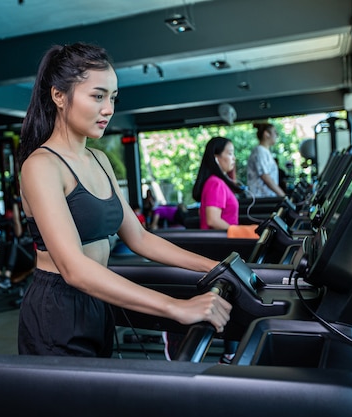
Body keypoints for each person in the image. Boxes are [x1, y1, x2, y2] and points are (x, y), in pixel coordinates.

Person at [16, 42, 231, 357]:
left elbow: (140, 237)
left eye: (112, 98)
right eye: (98, 96)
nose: (108, 109)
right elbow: (73, 268)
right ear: (59, 96)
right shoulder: (41, 166)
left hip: (98, 300)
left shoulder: (100, 160)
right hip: (57, 309)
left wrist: (214, 267)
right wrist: (175, 307)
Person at [193, 136, 245, 230]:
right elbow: (213, 220)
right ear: (216, 158)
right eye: (230, 153)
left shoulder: (217, 182)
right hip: (221, 241)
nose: (234, 158)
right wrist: (238, 233)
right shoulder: (215, 183)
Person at [246, 122, 286, 198]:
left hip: (267, 197)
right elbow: (265, 176)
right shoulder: (260, 151)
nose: (276, 135)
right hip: (260, 199)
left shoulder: (265, 152)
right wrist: (283, 195)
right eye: (275, 132)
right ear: (266, 134)